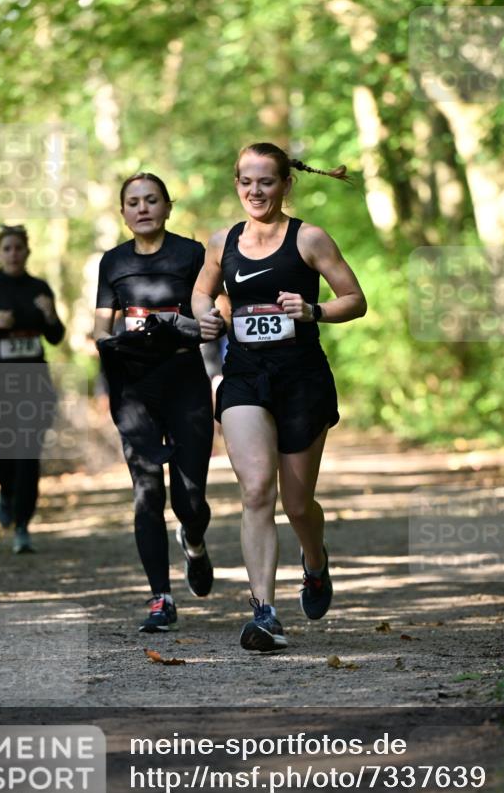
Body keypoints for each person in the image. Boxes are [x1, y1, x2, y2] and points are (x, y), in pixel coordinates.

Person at [192, 142, 366, 652]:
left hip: (301, 379)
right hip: (245, 376)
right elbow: (204, 289)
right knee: (255, 491)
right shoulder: (223, 241)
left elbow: (355, 300)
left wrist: (313, 311)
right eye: (246, 181)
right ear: (236, 183)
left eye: (265, 181)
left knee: (296, 503)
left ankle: (314, 561)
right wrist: (209, 313)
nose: (255, 190)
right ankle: (264, 612)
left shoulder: (309, 238)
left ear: (286, 184)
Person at [93, 173, 216, 633]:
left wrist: (190, 325)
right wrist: (114, 343)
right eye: (133, 202)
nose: (142, 208)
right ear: (123, 213)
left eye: (151, 200)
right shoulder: (113, 262)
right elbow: (100, 328)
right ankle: (160, 598)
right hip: (135, 385)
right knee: (147, 491)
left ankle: (195, 541)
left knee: (190, 498)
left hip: (185, 379)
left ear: (167, 206)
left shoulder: (191, 254)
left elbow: (212, 313)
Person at [0, 224, 65, 553]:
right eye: (7, 248)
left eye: (18, 248)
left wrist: (49, 315)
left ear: (27, 251)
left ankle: (22, 526)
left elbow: (56, 336)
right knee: (2, 451)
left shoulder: (39, 288)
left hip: (34, 383)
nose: (13, 254)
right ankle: (5, 492)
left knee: (28, 455)